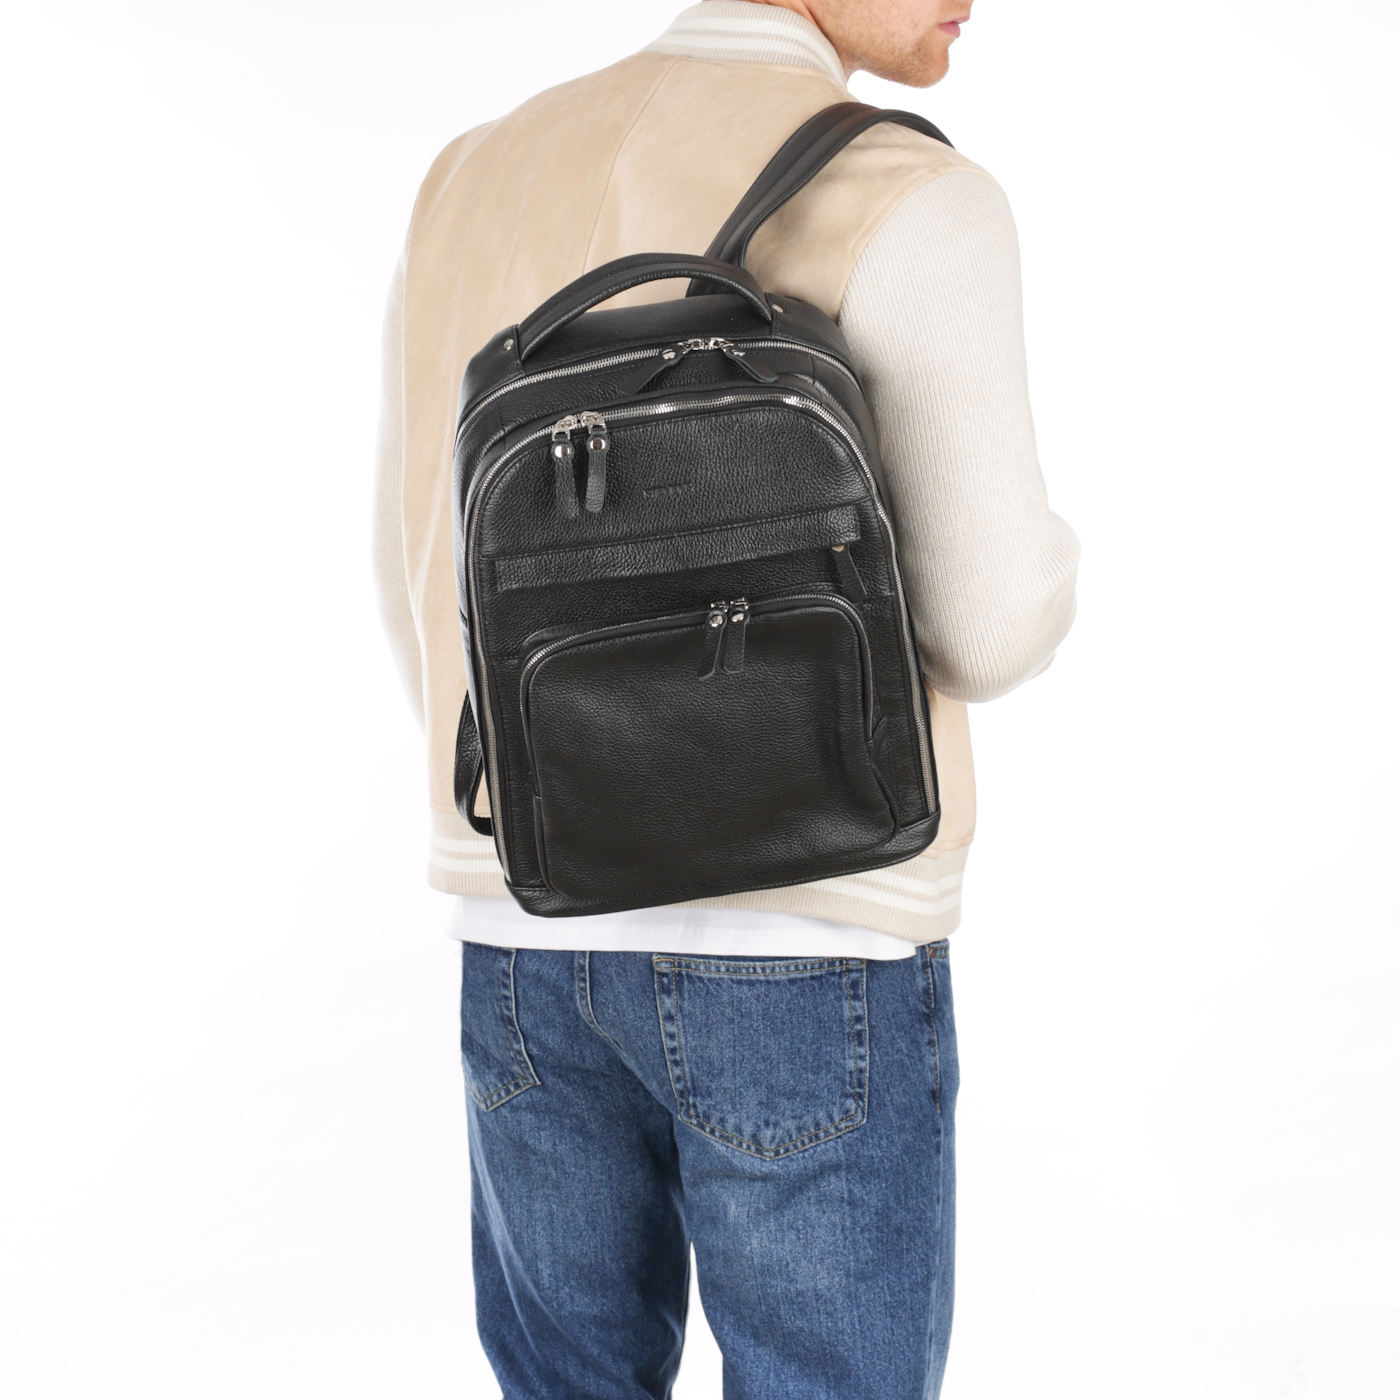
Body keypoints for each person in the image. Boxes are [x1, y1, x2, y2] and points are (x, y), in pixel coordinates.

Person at [374, 1, 1079, 1394]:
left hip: (522, 928)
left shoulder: (472, 171)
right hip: (808, 927)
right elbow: (993, 626)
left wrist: (568, 781)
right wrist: (1062, 555)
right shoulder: (903, 192)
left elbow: (415, 570)